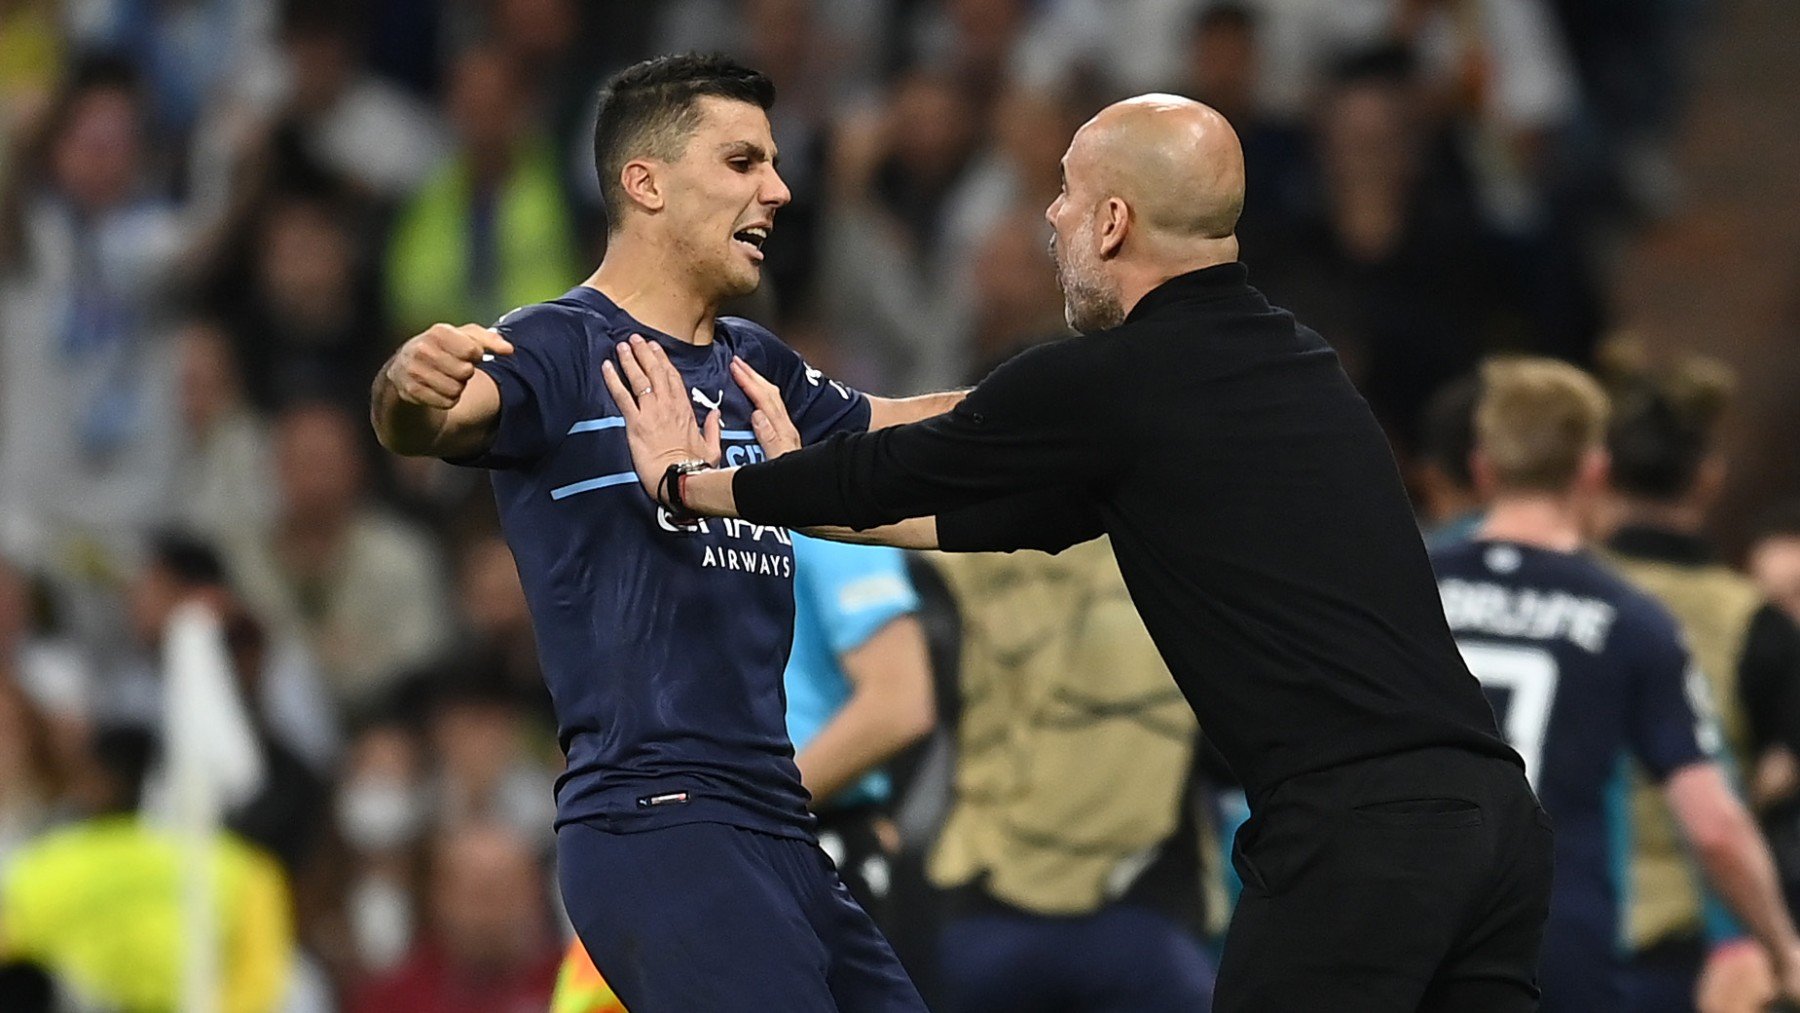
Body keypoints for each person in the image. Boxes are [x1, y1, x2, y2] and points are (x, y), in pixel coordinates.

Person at [612, 93, 1549, 1011]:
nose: (1049, 218)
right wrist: (806, 495)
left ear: (1112, 221)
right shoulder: (1292, 361)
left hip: (1361, 835)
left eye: (1063, 193)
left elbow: (898, 467)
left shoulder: (1116, 380)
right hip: (1493, 819)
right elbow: (984, 514)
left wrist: (688, 484)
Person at [371, 53, 961, 1012]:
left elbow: (916, 437)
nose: (777, 189)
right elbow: (426, 419)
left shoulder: (759, 368)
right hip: (659, 822)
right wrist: (405, 377)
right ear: (644, 183)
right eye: (742, 162)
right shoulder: (561, 348)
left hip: (780, 830)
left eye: (772, 163)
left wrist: (1104, 391)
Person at [1431, 357, 1800, 1012]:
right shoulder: (1631, 618)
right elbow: (1713, 822)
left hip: (1404, 926)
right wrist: (1779, 944)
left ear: (1483, 466)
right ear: (1593, 470)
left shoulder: (1406, 587)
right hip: (1553, 938)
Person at [927, 535, 1214, 1012]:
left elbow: (920, 708)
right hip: (1143, 904)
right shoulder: (1181, 548)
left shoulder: (954, 552)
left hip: (987, 889)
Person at [1599, 360, 1800, 1009]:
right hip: (1693, 945)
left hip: (1539, 913)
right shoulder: (1753, 623)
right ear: (1710, 478)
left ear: (1603, 472)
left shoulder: (1559, 592)